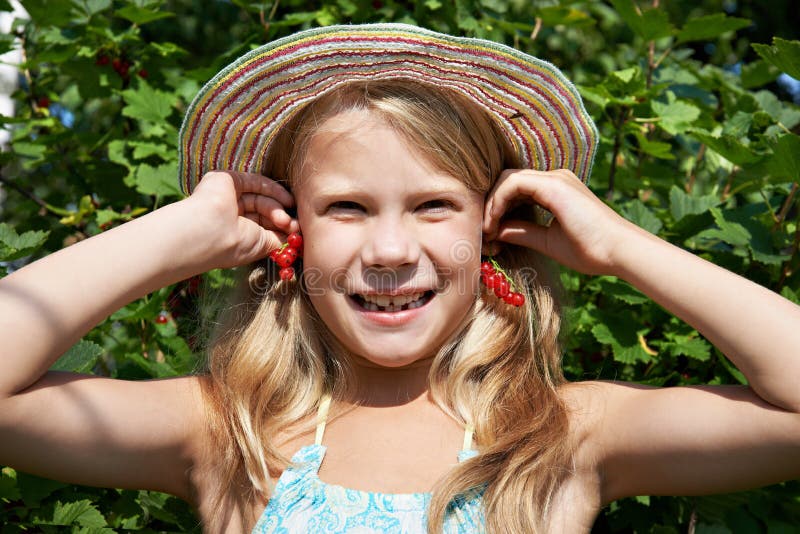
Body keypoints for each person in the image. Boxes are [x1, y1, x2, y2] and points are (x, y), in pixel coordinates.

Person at [1, 23, 799, 534]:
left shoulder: (561, 435)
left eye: (433, 206)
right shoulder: (229, 430)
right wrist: (175, 234)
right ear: (292, 231)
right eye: (346, 207)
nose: (389, 249)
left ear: (494, 228)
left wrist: (624, 246)